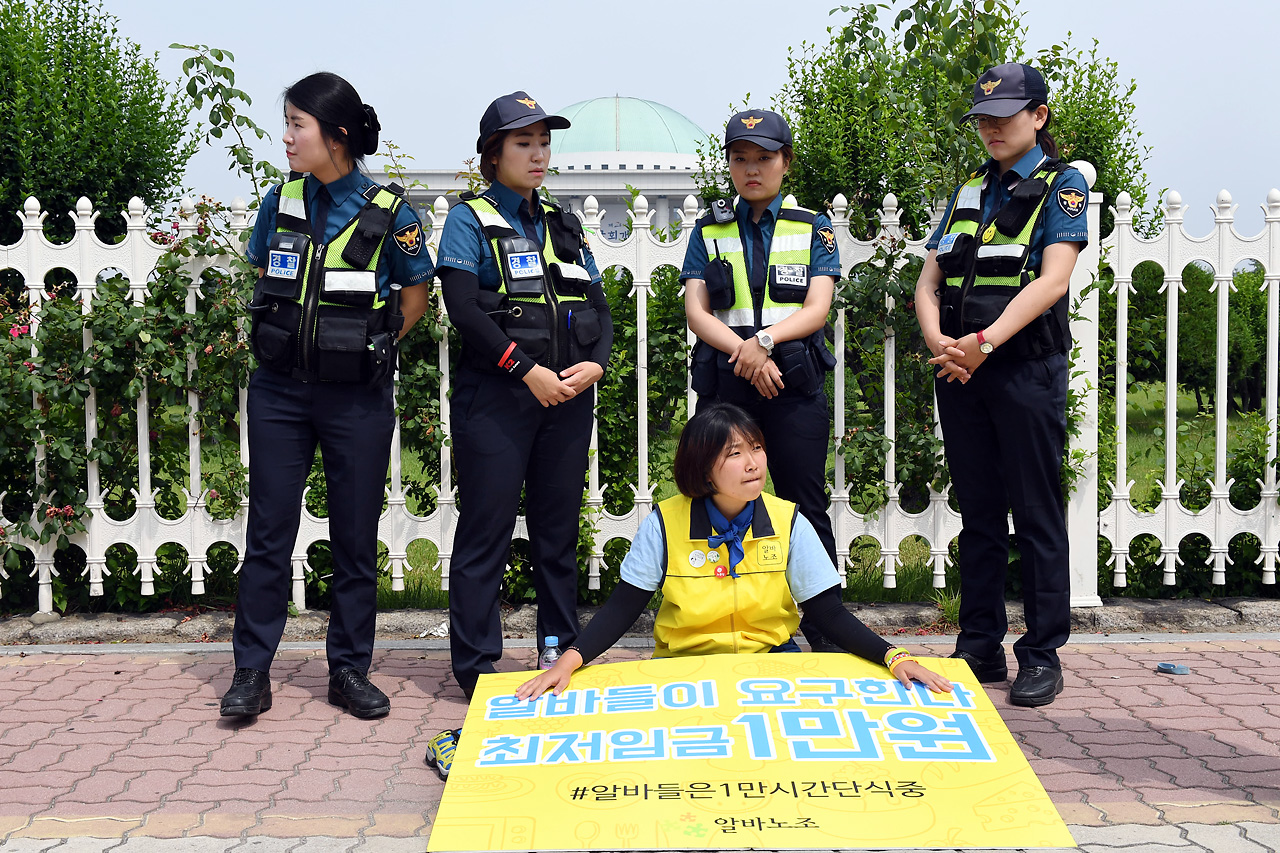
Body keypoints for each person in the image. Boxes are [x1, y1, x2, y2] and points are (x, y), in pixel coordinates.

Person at [220, 72, 434, 719]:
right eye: (286, 123)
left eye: (297, 125)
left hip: (357, 400)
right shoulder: (279, 200)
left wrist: (366, 346)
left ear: (336, 136)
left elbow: (415, 296)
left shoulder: (392, 213)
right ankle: (251, 672)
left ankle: (348, 670)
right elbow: (267, 276)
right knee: (268, 533)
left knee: (352, 537)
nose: (286, 137)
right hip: (280, 392)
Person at [516, 402, 953, 700]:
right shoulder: (665, 524)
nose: (753, 463)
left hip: (772, 668)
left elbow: (829, 614)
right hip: (684, 671)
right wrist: (569, 662)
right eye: (735, 453)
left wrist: (895, 657)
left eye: (757, 448)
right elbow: (622, 608)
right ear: (703, 469)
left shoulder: (787, 521)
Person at [913, 62, 1087, 707]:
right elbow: (928, 284)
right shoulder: (967, 191)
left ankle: (1041, 653)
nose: (991, 127)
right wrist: (940, 341)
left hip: (1020, 371)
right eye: (983, 118)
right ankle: (979, 644)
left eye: (1005, 115)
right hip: (960, 373)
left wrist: (984, 344)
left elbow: (1052, 282)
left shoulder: (1062, 187)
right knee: (979, 512)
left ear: (1038, 116)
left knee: (1036, 511)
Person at [434, 92, 612, 700]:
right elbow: (464, 311)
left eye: (544, 143)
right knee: (486, 529)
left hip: (568, 397)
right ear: (493, 153)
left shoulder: (562, 221)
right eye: (523, 143)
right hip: (501, 397)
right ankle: (478, 665)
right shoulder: (470, 219)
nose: (538, 155)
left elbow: (596, 304)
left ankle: (558, 648)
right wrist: (525, 369)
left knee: (557, 530)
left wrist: (597, 363)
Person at [681, 109, 842, 653]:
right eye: (741, 158)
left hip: (792, 384)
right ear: (728, 164)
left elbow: (818, 307)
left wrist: (764, 343)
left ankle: (825, 633)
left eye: (764, 158)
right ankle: (726, 623)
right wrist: (746, 353)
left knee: (803, 505)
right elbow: (698, 313)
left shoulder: (813, 225)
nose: (752, 169)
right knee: (719, 501)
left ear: (785, 162)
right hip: (728, 385)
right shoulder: (709, 228)